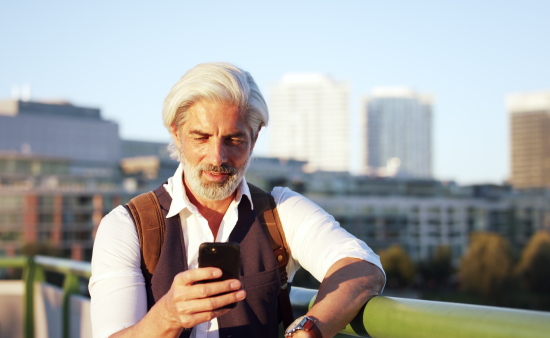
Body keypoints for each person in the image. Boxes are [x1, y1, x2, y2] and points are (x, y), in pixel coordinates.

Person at [89, 62, 386, 338]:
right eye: (201, 137)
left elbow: (363, 266)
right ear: (176, 134)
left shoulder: (280, 211)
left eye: (234, 140)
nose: (217, 157)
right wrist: (167, 316)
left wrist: (309, 328)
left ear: (254, 138)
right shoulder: (127, 225)